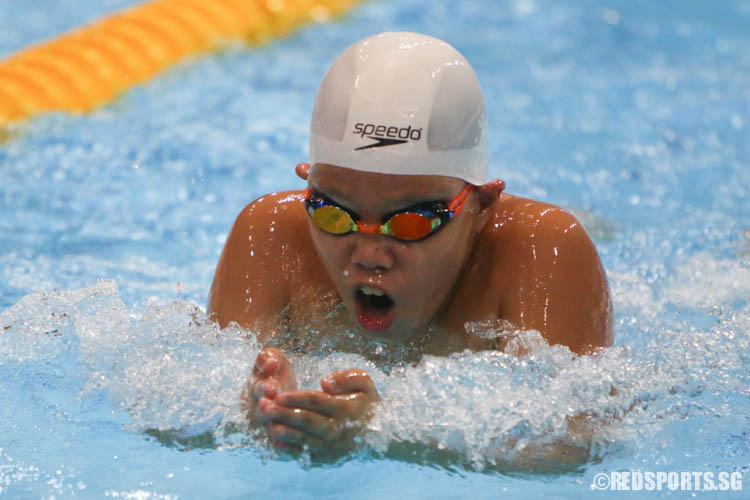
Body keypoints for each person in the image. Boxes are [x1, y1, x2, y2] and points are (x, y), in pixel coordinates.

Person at [208, 32, 613, 457]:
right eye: (334, 213)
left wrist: (385, 433)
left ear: (481, 206)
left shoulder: (542, 250)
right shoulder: (271, 234)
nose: (368, 254)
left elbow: (572, 447)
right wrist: (254, 414)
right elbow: (183, 415)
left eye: (411, 222)